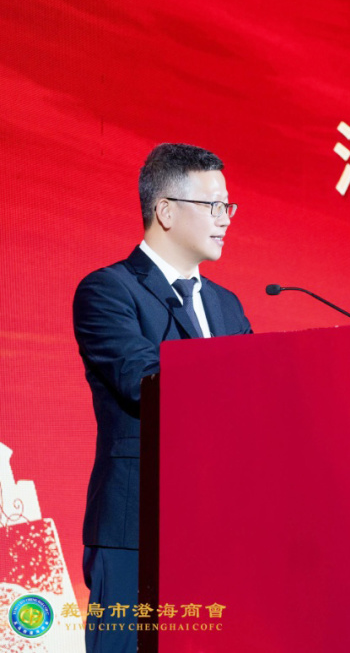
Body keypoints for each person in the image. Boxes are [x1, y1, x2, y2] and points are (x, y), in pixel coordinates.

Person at [73, 143, 252, 653]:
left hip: (217, 524)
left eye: (228, 206)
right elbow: (143, 379)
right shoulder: (108, 290)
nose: (225, 218)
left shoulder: (226, 304)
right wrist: (238, 384)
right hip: (136, 528)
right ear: (166, 211)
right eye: (213, 205)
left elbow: (255, 396)